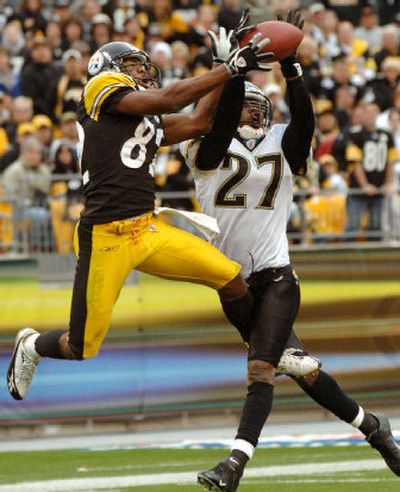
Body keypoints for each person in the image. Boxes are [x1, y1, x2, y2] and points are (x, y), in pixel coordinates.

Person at [180, 10, 400, 492]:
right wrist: (235, 73)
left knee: (262, 368)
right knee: (300, 369)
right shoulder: (205, 150)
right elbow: (217, 134)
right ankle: (375, 429)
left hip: (277, 276)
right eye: (244, 107)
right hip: (232, 281)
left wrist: (292, 67)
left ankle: (233, 466)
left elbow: (303, 121)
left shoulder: (282, 142)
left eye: (260, 109)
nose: (253, 115)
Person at [6, 22, 281, 400]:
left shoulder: (143, 117)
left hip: (147, 229)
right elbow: (169, 100)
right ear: (109, 67)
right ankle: (33, 345)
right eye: (134, 65)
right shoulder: (97, 89)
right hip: (105, 236)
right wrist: (229, 67)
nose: (143, 71)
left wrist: (223, 67)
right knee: (81, 345)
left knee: (231, 278)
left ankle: (270, 354)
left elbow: (199, 121)